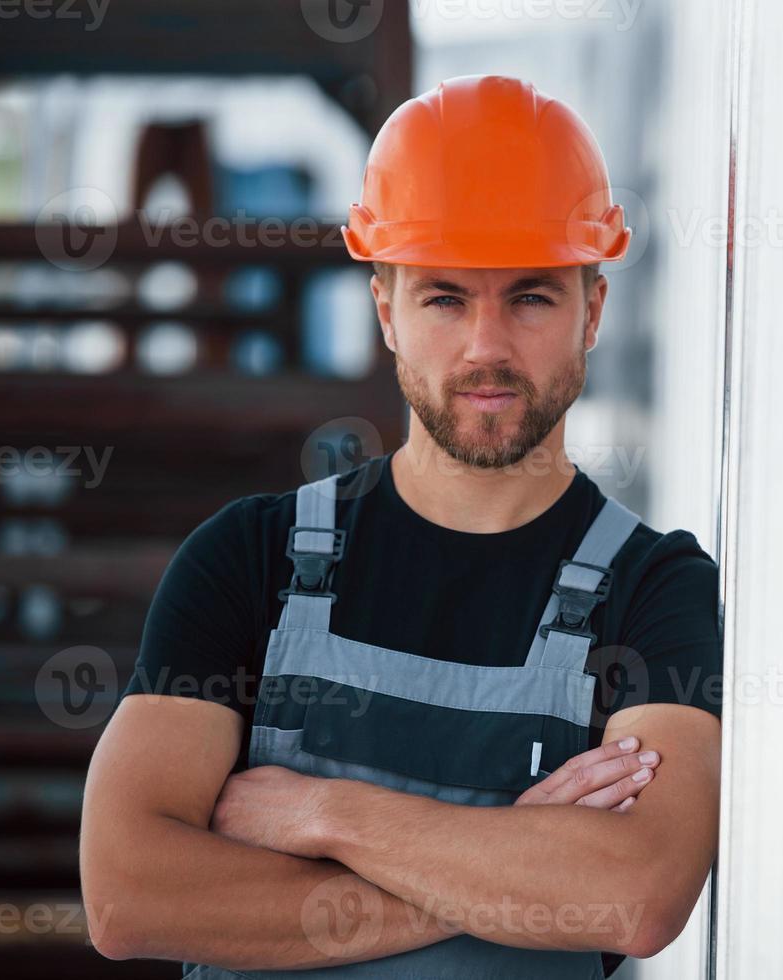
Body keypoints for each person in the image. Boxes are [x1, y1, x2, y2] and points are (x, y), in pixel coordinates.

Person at [79, 75, 723, 980]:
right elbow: (128, 895)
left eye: (532, 297)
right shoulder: (249, 560)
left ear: (595, 310)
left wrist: (322, 815)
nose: (486, 348)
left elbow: (636, 895)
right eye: (444, 298)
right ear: (386, 309)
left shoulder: (655, 592)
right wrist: (515, 870)